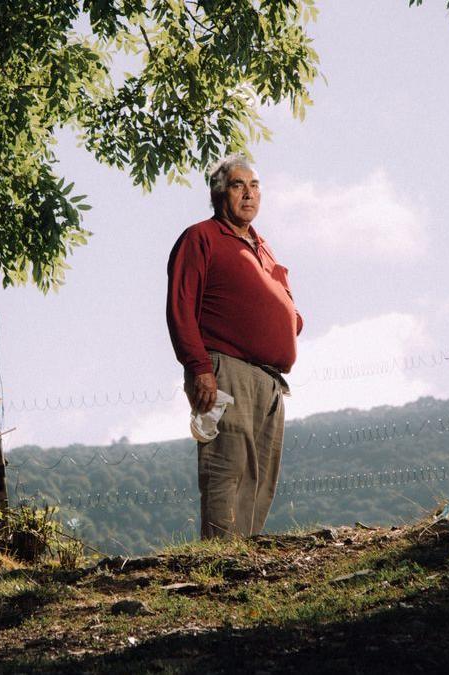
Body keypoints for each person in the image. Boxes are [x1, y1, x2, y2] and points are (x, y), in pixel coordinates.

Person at [166, 154, 303, 538]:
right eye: (238, 185)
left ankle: (242, 559)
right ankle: (220, 559)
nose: (249, 193)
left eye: (255, 185)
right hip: (225, 368)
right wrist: (200, 369)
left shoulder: (263, 246)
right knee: (227, 468)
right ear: (218, 193)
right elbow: (180, 309)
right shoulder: (202, 237)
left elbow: (282, 302)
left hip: (270, 379)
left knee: (261, 478)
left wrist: (287, 322)